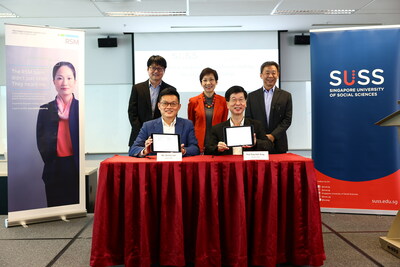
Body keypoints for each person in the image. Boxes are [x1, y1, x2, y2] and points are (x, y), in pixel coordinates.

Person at [36, 61, 79, 207]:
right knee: (55, 208)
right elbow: (40, 138)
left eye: (69, 78)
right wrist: (49, 159)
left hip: (74, 164)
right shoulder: (45, 108)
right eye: (59, 78)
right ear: (54, 81)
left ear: (74, 81)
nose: (64, 82)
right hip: (53, 165)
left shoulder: (80, 107)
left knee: (74, 208)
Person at [129, 87, 199, 157]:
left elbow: (195, 149)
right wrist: (145, 150)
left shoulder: (187, 124)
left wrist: (183, 150)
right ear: (159, 106)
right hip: (156, 166)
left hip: (179, 166)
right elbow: (133, 149)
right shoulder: (148, 126)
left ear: (179, 106)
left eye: (173, 104)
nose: (169, 107)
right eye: (165, 103)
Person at [204, 86, 273, 156]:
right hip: (227, 166)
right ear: (227, 104)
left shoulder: (256, 125)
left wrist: (256, 142)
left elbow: (269, 147)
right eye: (234, 100)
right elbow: (207, 151)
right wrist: (217, 148)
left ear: (245, 103)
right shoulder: (217, 129)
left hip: (249, 166)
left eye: (241, 99)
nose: (237, 103)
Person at [245, 61, 292, 153]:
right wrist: (262, 137)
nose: (270, 76)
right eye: (267, 73)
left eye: (273, 73)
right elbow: (248, 119)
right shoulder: (251, 96)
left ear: (278, 75)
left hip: (278, 143)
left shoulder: (286, 96)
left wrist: (273, 135)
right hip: (257, 143)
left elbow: (287, 120)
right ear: (261, 75)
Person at [128, 55, 175, 147]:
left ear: (164, 71)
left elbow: (172, 113)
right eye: (153, 68)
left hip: (163, 136)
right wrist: (143, 131)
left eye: (160, 68)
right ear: (147, 69)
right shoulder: (137, 88)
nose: (156, 71)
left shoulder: (170, 90)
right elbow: (132, 113)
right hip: (139, 135)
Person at [188, 68, 229, 153]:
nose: (208, 83)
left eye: (211, 80)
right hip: (198, 143)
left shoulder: (223, 101)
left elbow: (224, 123)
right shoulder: (193, 101)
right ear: (201, 83)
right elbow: (191, 122)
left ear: (216, 82)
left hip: (217, 143)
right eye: (205, 80)